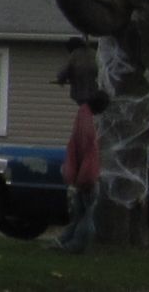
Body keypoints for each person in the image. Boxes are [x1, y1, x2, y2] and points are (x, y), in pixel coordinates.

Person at [57, 88, 109, 253]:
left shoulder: (82, 116)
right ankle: (77, 244)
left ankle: (64, 240)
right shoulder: (88, 126)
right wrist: (88, 177)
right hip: (87, 177)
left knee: (79, 213)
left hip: (79, 174)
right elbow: (89, 153)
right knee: (88, 214)